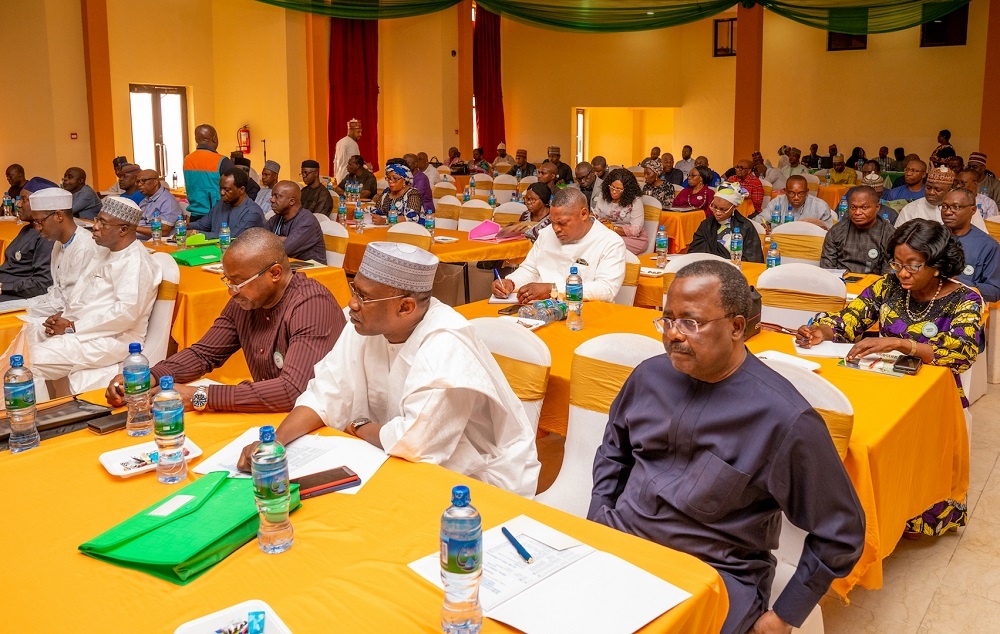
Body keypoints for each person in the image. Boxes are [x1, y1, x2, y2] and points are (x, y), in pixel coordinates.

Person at [591, 259, 865, 634]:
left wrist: (784, 616)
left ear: (737, 326)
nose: (673, 334)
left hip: (715, 572)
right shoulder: (649, 377)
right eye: (667, 319)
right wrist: (599, 519)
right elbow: (613, 452)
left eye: (691, 322)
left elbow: (842, 530)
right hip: (621, 543)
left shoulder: (784, 418)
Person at [236, 241, 540, 496]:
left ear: (405, 307)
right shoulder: (363, 323)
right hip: (389, 458)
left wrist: (357, 427)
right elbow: (325, 393)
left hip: (475, 480)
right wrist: (275, 443)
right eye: (355, 290)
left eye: (363, 297)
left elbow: (414, 443)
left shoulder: (445, 343)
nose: (352, 304)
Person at [797, 218, 983, 537]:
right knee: (855, 437)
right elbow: (849, 321)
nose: (903, 272)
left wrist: (902, 343)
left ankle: (910, 512)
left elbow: (963, 352)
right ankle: (861, 512)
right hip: (880, 382)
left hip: (934, 398)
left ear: (937, 264)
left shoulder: (967, 299)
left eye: (913, 265)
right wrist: (821, 331)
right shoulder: (888, 286)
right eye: (897, 263)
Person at [105, 229, 344, 413]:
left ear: (275, 273)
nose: (232, 291)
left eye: (238, 283)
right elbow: (204, 354)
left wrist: (200, 396)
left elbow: (291, 391)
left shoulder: (311, 304)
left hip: (322, 422)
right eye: (227, 281)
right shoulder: (247, 300)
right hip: (268, 414)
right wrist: (153, 376)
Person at [14, 196, 161, 394]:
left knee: (25, 363)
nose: (95, 227)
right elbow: (82, 294)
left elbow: (125, 315)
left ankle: (38, 420)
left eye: (103, 223)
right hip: (81, 329)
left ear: (123, 230)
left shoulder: (136, 263)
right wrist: (63, 316)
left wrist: (71, 326)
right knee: (22, 337)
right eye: (97, 220)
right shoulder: (103, 251)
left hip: (113, 338)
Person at [494, 188, 626, 303]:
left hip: (585, 313)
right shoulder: (546, 233)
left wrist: (553, 289)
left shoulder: (610, 242)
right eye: (552, 222)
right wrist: (510, 283)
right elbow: (531, 269)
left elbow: (606, 289)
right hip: (539, 309)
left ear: (584, 214)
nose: (556, 229)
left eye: (562, 223)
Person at [26, 182, 104, 317]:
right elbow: (56, 291)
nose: (38, 228)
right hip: (54, 309)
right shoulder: (58, 243)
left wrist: (29, 310)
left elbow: (72, 302)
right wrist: (25, 304)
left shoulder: (84, 247)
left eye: (40, 222)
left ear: (59, 216)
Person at [940, 188, 1000, 302]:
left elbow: (995, 292)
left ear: (973, 210)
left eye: (956, 207)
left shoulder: (988, 246)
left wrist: (958, 283)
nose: (947, 212)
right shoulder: (931, 237)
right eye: (944, 206)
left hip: (965, 309)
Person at [0, 183, 55, 302]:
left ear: (40, 204)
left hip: (15, 295)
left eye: (24, 200)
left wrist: (3, 287)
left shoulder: (46, 237)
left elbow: (42, 284)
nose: (18, 205)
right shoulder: (28, 229)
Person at [820, 186, 894, 274]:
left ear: (877, 207)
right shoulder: (836, 231)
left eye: (864, 207)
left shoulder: (889, 234)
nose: (857, 212)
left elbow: (888, 275)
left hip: (873, 285)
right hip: (841, 283)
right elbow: (828, 269)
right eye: (853, 207)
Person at [688, 183, 764, 263]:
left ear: (734, 207)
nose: (717, 213)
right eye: (715, 207)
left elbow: (753, 260)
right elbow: (695, 254)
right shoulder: (706, 225)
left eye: (723, 209)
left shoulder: (746, 227)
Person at [896, 167, 988, 232]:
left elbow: (981, 237)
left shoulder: (966, 209)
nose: (931, 192)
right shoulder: (910, 209)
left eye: (937, 189)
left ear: (950, 189)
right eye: (928, 187)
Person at [189, 167, 266, 240]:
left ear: (241, 190)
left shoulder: (252, 212)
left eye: (227, 190)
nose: (222, 193)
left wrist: (196, 233)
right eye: (220, 188)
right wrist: (185, 226)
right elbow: (201, 225)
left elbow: (232, 237)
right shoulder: (221, 204)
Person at [183, 124, 235, 219]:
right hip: (216, 215)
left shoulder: (187, 160)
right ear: (215, 138)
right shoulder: (222, 161)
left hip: (194, 216)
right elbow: (235, 188)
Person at [591, 168, 647, 255]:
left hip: (633, 239)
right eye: (612, 187)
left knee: (607, 244)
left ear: (627, 190)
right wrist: (595, 218)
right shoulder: (603, 195)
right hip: (607, 234)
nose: (614, 191)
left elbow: (635, 230)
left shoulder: (635, 201)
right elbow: (596, 213)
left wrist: (612, 228)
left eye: (619, 189)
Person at [267, 181, 327, 263]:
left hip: (312, 272)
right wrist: (281, 239)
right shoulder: (277, 218)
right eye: (272, 196)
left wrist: (273, 240)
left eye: (277, 196)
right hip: (287, 268)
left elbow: (284, 250)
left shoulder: (307, 221)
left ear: (292, 201)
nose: (272, 200)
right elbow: (259, 242)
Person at [767, 175, 834, 229]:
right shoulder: (776, 202)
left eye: (801, 193)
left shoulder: (821, 207)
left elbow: (830, 232)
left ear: (807, 192)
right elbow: (760, 220)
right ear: (785, 192)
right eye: (791, 193)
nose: (796, 198)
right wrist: (764, 226)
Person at [136, 169, 181, 240]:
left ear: (155, 182)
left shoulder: (168, 201)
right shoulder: (145, 200)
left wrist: (133, 228)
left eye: (143, 181)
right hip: (138, 239)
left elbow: (164, 231)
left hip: (157, 242)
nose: (139, 184)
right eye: (137, 181)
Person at [333, 118, 362, 183]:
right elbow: (355, 163)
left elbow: (335, 162)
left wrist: (335, 177)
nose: (360, 134)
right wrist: (366, 167)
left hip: (339, 177)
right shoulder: (352, 143)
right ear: (351, 131)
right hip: (348, 179)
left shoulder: (339, 142)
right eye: (358, 132)